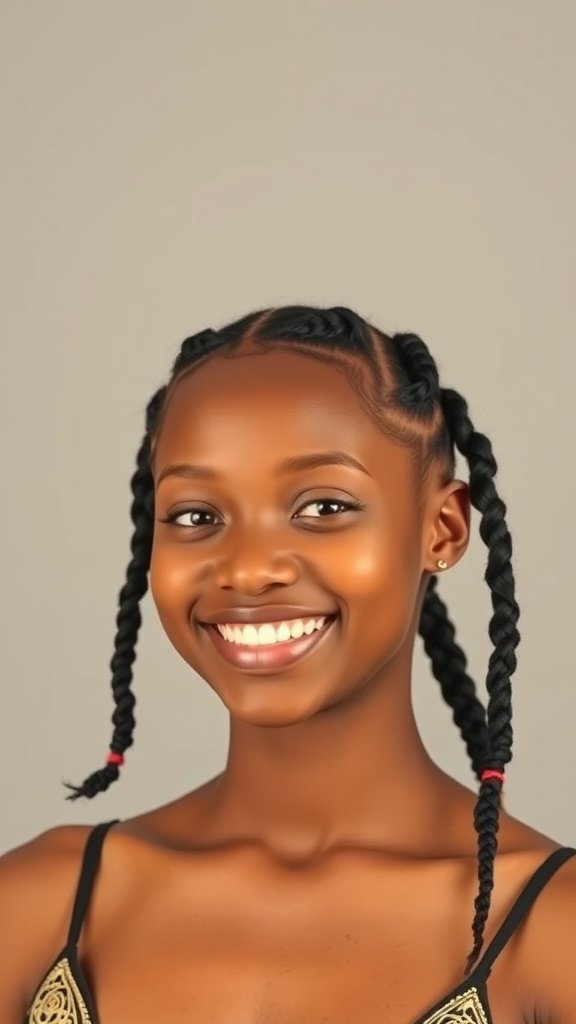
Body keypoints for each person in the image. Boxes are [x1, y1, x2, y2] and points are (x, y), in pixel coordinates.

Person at [1, 305, 574, 1024]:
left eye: (324, 505)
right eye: (195, 516)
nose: (247, 569)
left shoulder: (553, 930)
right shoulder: (39, 907)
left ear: (445, 529)